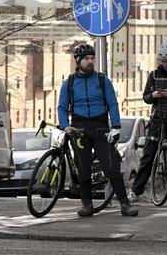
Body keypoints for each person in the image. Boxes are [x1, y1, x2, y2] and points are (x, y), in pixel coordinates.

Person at [56, 43, 137, 217]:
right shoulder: (69, 83)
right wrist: (65, 125)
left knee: (111, 169)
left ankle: (125, 204)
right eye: (86, 59)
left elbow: (113, 104)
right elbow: (62, 107)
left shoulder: (102, 80)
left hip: (101, 128)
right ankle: (87, 205)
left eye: (92, 58)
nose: (90, 61)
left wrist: (116, 126)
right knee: (83, 169)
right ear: (78, 61)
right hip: (79, 129)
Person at [131, 42, 167, 205]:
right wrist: (154, 95)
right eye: (162, 61)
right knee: (148, 155)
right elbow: (145, 97)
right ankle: (136, 191)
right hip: (157, 119)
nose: (165, 64)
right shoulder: (153, 75)